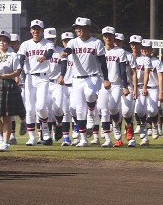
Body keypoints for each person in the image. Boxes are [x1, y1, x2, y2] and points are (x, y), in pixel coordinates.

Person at [59, 17, 109, 147]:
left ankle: (92, 113)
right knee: (79, 109)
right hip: (77, 79)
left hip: (93, 76)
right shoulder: (73, 42)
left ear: (88, 29)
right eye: (76, 28)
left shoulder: (97, 42)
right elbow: (69, 49)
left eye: (80, 27)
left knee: (90, 93)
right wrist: (65, 52)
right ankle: (83, 139)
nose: (77, 30)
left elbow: (103, 62)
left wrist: (107, 78)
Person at [0, 30, 24, 152]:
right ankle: (2, 135)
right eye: (0, 41)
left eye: (5, 41)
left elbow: (17, 71)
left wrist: (4, 76)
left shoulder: (13, 55)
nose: (2, 43)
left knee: (7, 117)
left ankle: (5, 142)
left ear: (8, 43)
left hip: (8, 85)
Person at [18, 20, 55, 146]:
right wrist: (18, 74)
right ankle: (32, 137)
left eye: (38, 29)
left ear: (42, 31)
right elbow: (21, 59)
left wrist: (44, 57)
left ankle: (44, 127)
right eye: (33, 29)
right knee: (29, 108)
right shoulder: (25, 44)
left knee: (40, 107)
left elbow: (50, 53)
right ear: (30, 30)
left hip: (43, 78)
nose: (35, 31)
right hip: (29, 77)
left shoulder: (48, 43)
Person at [96, 27, 129, 147]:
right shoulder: (99, 51)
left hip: (116, 84)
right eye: (105, 35)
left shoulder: (120, 51)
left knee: (114, 108)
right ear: (103, 37)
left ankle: (115, 125)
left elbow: (123, 71)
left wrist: (125, 86)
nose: (107, 38)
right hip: (102, 84)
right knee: (103, 109)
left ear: (114, 37)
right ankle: (107, 140)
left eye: (110, 35)